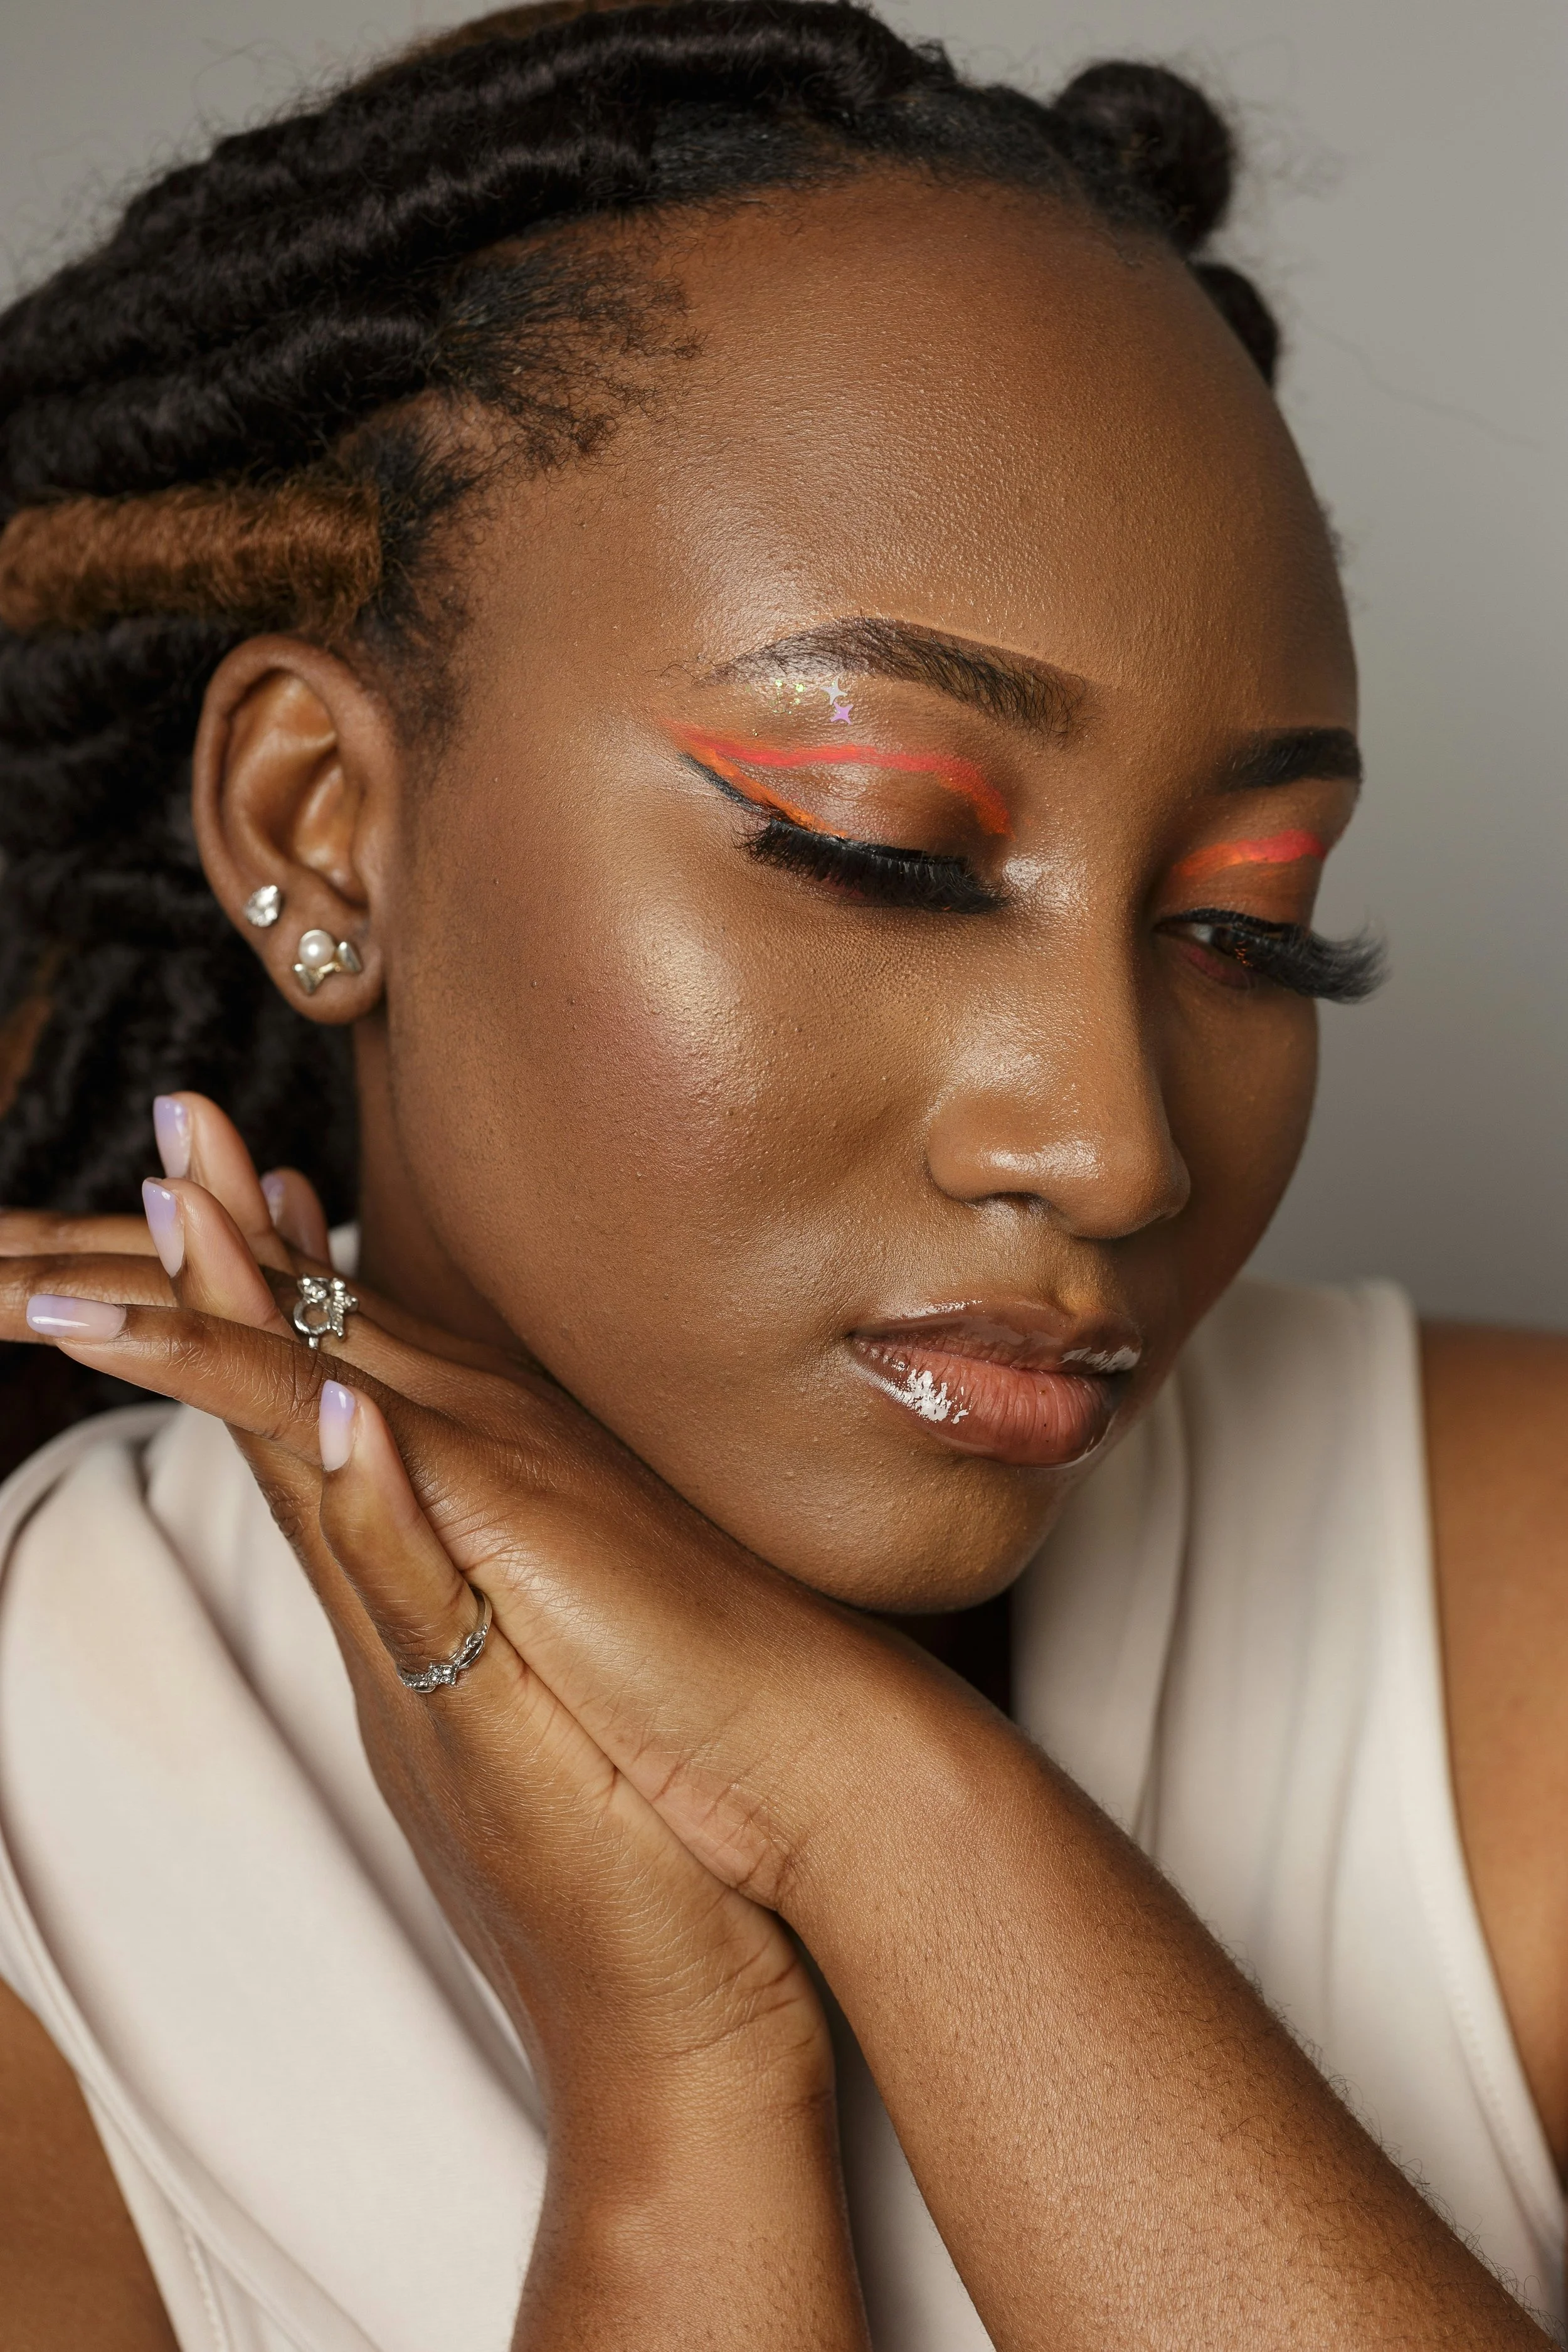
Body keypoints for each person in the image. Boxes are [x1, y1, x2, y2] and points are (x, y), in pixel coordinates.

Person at [0, 3, 1562, 2344]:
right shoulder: (45, 1857)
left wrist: (867, 1791)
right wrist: (680, 2089)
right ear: (321, 826)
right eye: (883, 854)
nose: (1111, 1145)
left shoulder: (1513, 1598)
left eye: (1246, 922)